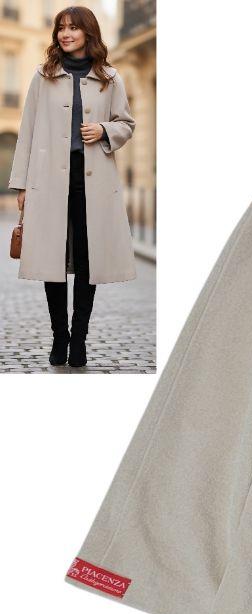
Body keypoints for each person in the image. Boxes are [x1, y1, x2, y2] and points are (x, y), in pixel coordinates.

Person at [8, 6, 136, 368]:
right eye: (61, 28)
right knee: (51, 259)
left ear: (87, 33)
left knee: (87, 259)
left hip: (92, 181)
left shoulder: (110, 77)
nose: (65, 34)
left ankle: (78, 338)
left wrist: (104, 130)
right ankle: (59, 336)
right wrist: (22, 184)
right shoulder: (43, 76)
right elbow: (27, 131)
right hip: (48, 180)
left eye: (73, 28)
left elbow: (126, 123)